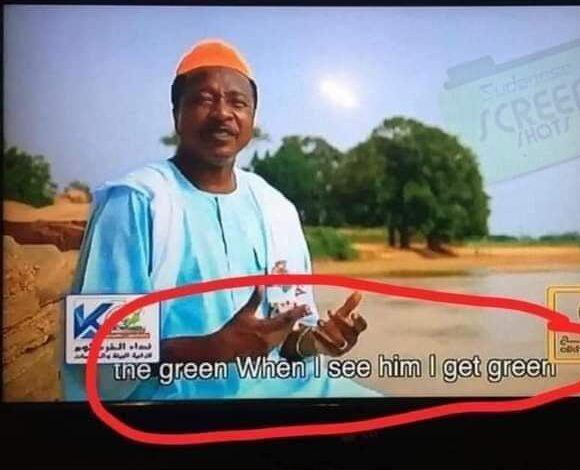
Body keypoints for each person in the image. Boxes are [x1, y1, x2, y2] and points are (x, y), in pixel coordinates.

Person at [61, 39, 379, 400]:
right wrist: (211, 349)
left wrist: (316, 341)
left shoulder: (277, 209)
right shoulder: (136, 202)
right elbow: (101, 360)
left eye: (237, 102)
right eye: (204, 99)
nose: (222, 113)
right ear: (176, 113)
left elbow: (281, 342)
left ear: (252, 118)